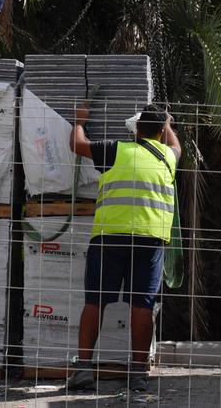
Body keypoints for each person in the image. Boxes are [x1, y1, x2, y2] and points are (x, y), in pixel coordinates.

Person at [67, 103, 181, 392]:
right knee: (142, 307)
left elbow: (77, 144)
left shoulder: (116, 149)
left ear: (136, 129)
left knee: (96, 302)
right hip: (150, 239)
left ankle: (83, 369)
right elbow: (175, 143)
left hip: (109, 237)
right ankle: (139, 374)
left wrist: (80, 121)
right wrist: (166, 122)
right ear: (160, 131)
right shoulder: (168, 157)